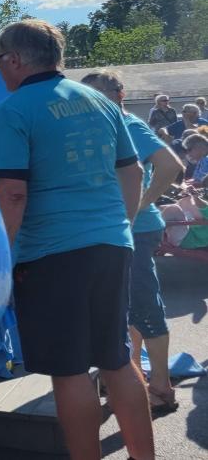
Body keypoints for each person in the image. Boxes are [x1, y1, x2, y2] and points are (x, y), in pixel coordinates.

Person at [0, 20, 154, 460]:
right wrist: (122, 225)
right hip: (112, 243)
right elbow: (133, 171)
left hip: (51, 253)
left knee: (70, 370)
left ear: (15, 60)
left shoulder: (14, 110)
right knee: (117, 358)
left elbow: (12, 192)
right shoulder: (99, 100)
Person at [82, 70, 183, 413]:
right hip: (121, 228)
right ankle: (136, 376)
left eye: (99, 95)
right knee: (127, 309)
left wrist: (143, 203)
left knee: (145, 305)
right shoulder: (106, 126)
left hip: (137, 230)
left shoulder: (129, 125)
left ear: (119, 95)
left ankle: (161, 387)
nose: (92, 103)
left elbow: (170, 165)